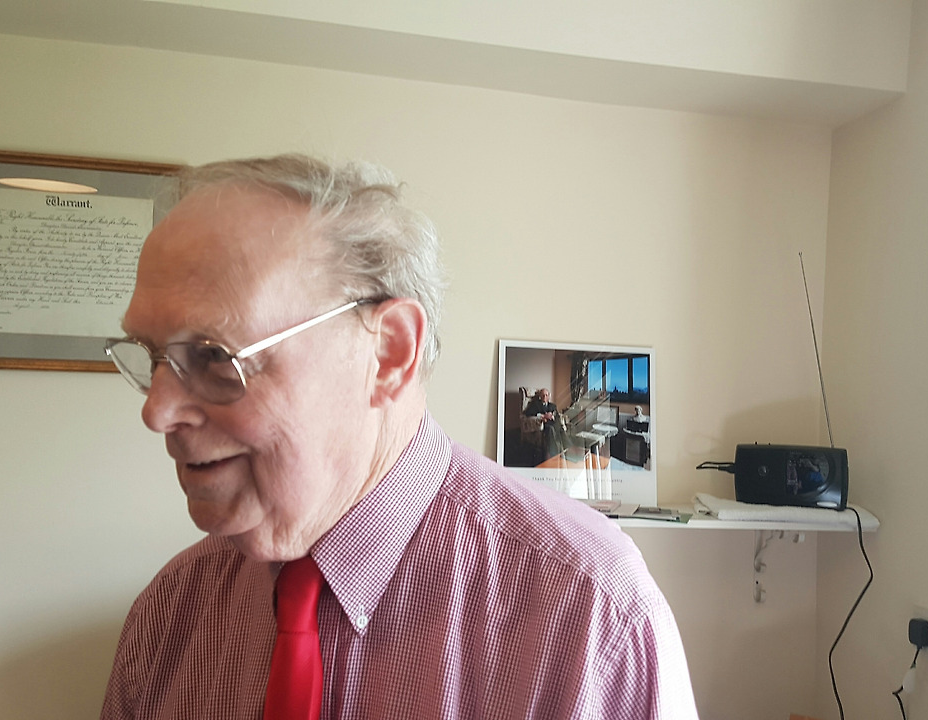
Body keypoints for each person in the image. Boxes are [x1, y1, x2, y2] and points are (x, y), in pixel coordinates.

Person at [99, 154, 698, 720]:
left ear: (388, 353)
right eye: (152, 356)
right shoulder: (170, 614)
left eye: (213, 355)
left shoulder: (589, 616)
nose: (157, 412)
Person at [522, 387, 569, 460]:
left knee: (561, 429)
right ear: (540, 396)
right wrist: (542, 416)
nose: (545, 397)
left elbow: (557, 416)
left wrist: (552, 416)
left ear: (549, 396)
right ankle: (555, 454)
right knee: (551, 429)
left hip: (553, 423)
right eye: (543, 395)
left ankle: (569, 448)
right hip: (544, 425)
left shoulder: (552, 406)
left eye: (546, 395)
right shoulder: (535, 404)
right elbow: (528, 413)